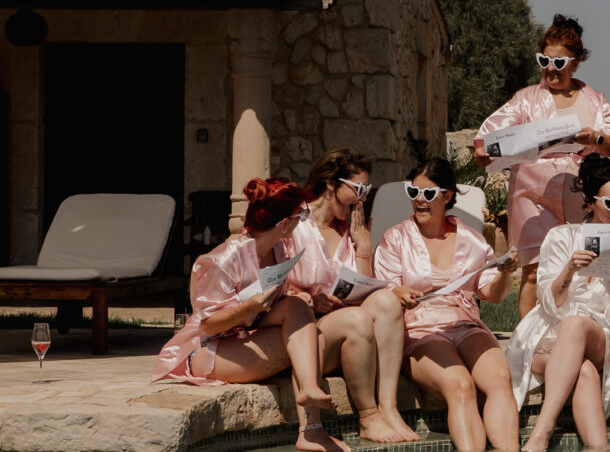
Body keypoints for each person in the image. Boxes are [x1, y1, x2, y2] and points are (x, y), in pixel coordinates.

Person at [152, 178, 346, 452]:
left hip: (246, 330)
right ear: (284, 224)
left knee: (299, 310)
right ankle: (311, 429)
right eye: (301, 216)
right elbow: (207, 323)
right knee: (310, 341)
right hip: (207, 347)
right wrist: (247, 308)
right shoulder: (226, 259)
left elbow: (276, 304)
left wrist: (301, 298)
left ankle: (310, 403)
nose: (303, 221)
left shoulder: (278, 250)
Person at [476, 15, 610, 317]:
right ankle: (529, 338)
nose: (550, 68)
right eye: (544, 60)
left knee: (586, 264)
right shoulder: (525, 99)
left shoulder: (594, 99)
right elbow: (485, 142)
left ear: (575, 63)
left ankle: (581, 327)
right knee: (533, 270)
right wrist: (487, 153)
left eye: (559, 62)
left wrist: (594, 137)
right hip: (532, 191)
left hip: (579, 190)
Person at [374, 159, 522, 452]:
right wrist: (398, 292)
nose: (419, 200)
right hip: (420, 327)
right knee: (460, 385)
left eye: (428, 194)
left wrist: (505, 273)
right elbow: (382, 289)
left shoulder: (471, 239)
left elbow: (492, 294)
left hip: (464, 321)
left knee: (500, 379)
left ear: (447, 196)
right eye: (414, 192)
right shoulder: (395, 238)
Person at [505, 154, 610, 451]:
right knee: (584, 371)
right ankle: (599, 447)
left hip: (598, 334)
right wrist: (569, 269)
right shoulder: (561, 236)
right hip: (549, 329)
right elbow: (549, 303)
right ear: (590, 202)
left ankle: (542, 431)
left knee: (576, 323)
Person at [283, 148, 418, 442]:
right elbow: (272, 280)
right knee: (356, 319)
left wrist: (364, 247)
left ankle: (389, 407)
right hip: (304, 332)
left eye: (366, 191)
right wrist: (307, 298)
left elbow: (365, 288)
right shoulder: (293, 223)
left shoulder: (351, 230)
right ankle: (368, 417)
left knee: (386, 301)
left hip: (344, 328)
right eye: (358, 189)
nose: (362, 199)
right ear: (331, 184)